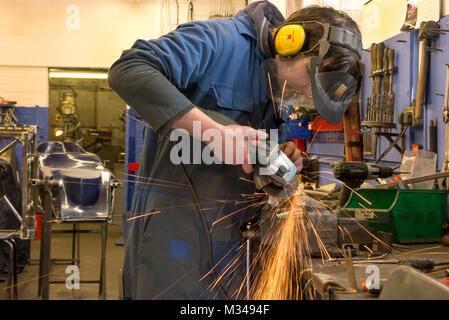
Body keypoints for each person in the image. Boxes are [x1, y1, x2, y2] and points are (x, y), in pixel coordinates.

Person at [108, 0, 362, 300]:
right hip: (175, 248)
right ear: (289, 41)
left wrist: (278, 153)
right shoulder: (218, 40)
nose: (307, 93)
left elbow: (248, 151)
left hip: (234, 249)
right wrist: (212, 132)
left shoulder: (276, 78)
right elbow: (127, 69)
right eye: (311, 79)